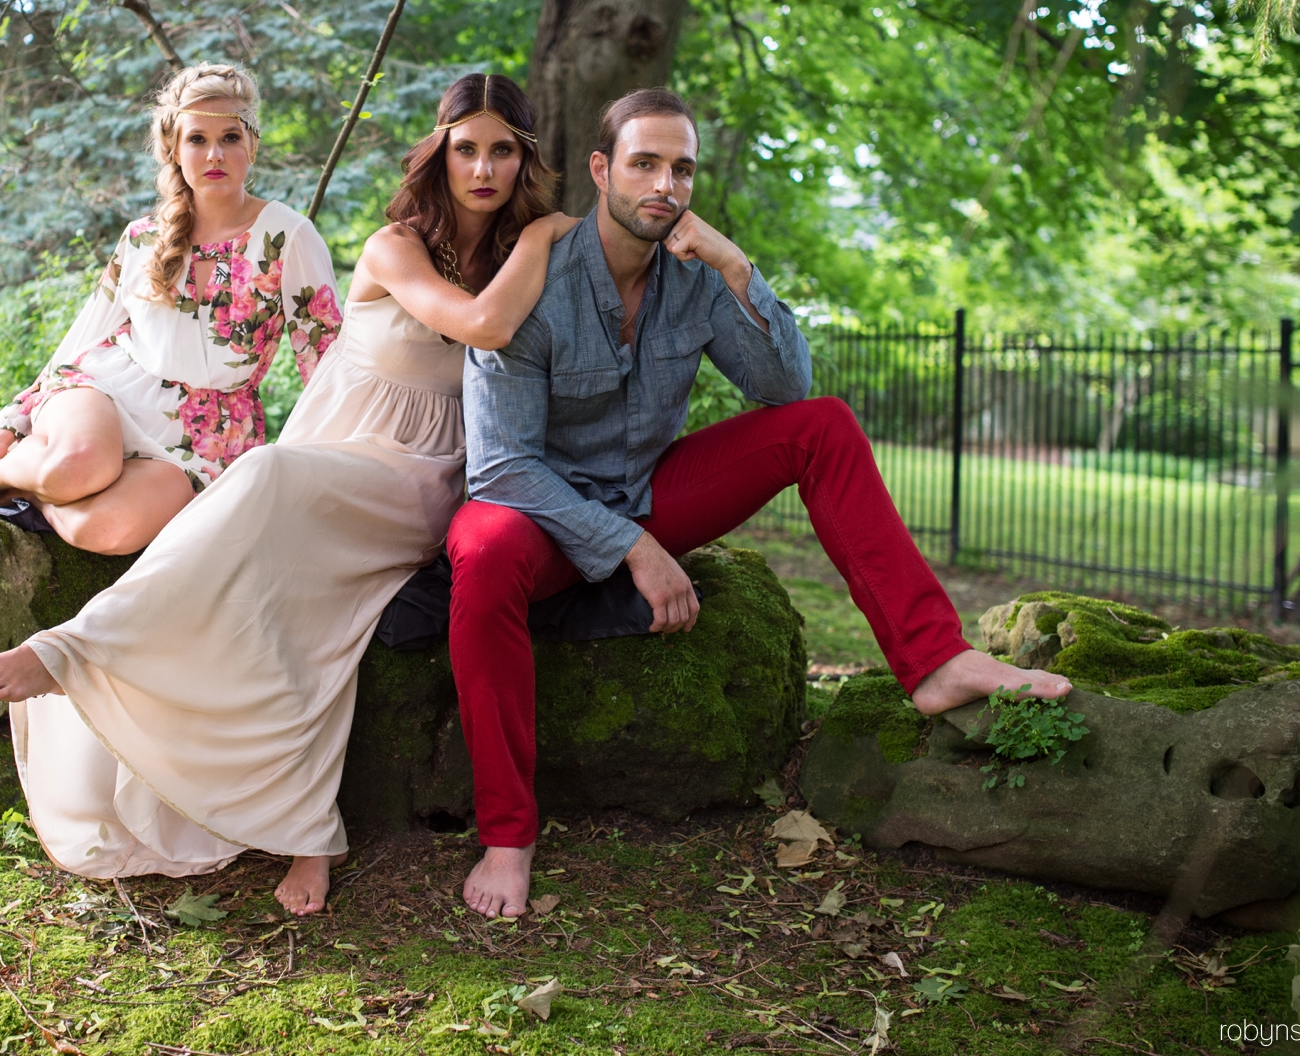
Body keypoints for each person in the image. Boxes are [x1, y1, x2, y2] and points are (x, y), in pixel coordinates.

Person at [0, 73, 578, 915]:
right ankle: (307, 828)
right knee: (300, 607)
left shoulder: (520, 256)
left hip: (421, 478)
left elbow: (507, 329)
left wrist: (540, 239)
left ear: (524, 159)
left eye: (504, 149)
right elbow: (429, 341)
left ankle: (71, 649)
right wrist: (543, 237)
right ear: (439, 152)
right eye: (467, 147)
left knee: (262, 475)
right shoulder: (397, 246)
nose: (484, 167)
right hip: (333, 454)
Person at [447, 87, 1074, 919]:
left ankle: (934, 660)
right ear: (602, 170)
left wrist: (738, 271)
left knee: (823, 426)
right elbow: (501, 467)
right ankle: (508, 833)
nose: (665, 185)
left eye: (682, 168)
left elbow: (786, 386)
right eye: (644, 163)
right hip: (539, 512)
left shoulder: (699, 273)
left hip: (646, 491)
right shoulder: (534, 279)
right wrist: (633, 549)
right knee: (483, 554)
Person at [0, 63, 344, 553]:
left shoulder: (288, 236)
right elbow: (81, 338)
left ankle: (27, 494)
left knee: (107, 529)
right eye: (196, 139)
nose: (214, 154)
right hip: (108, 391)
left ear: (252, 144)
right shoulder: (143, 237)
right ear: (174, 150)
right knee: (78, 467)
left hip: (207, 434)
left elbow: (326, 363)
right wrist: (7, 427)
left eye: (229, 136)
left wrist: (328, 467)